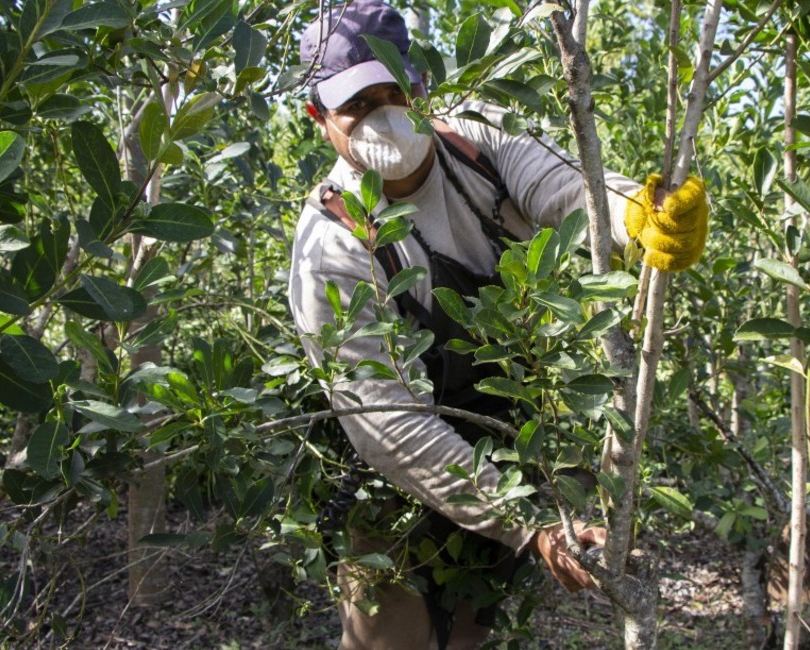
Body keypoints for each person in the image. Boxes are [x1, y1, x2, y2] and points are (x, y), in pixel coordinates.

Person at [287, 1, 708, 647]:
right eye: (358, 105)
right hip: (394, 478)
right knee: (387, 636)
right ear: (321, 120)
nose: (383, 114)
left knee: (468, 632)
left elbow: (569, 191)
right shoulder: (333, 241)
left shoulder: (478, 142)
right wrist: (525, 523)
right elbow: (385, 422)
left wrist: (638, 216)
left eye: (394, 91)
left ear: (422, 87)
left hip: (507, 446)